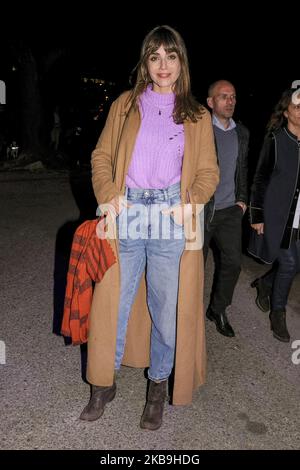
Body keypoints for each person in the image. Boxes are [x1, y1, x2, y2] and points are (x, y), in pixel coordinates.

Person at [79, 25, 219, 430]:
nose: (163, 65)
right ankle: (102, 384)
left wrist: (188, 201)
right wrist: (108, 195)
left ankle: (157, 384)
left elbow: (209, 172)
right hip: (128, 215)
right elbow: (101, 156)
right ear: (145, 62)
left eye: (171, 56)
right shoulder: (125, 105)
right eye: (155, 56)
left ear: (181, 63)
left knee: (166, 311)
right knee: (111, 307)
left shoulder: (196, 114)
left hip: (171, 220)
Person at [249, 87, 300, 343]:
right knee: (289, 262)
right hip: (278, 215)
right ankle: (277, 312)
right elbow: (259, 179)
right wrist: (257, 215)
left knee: (296, 263)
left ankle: (266, 284)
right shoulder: (276, 139)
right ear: (286, 111)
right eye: (298, 107)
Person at [203, 80, 249, 337]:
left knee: (232, 262)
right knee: (195, 266)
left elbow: (242, 168)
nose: (230, 101)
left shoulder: (242, 133)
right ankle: (186, 314)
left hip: (230, 210)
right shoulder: (198, 129)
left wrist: (242, 200)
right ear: (210, 102)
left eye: (233, 96)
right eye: (223, 96)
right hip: (202, 209)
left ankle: (218, 309)